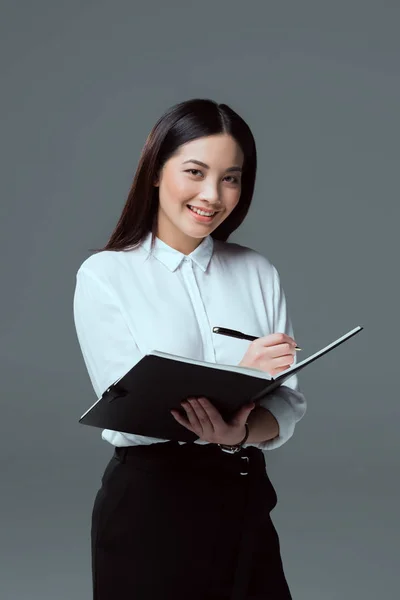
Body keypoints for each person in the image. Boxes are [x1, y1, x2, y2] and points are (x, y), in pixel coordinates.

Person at [73, 98, 307, 600]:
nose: (212, 195)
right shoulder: (106, 275)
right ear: (156, 172)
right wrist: (238, 375)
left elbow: (287, 403)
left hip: (243, 498)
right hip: (150, 510)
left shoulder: (257, 271)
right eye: (195, 172)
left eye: (231, 178)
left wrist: (239, 430)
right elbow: (125, 412)